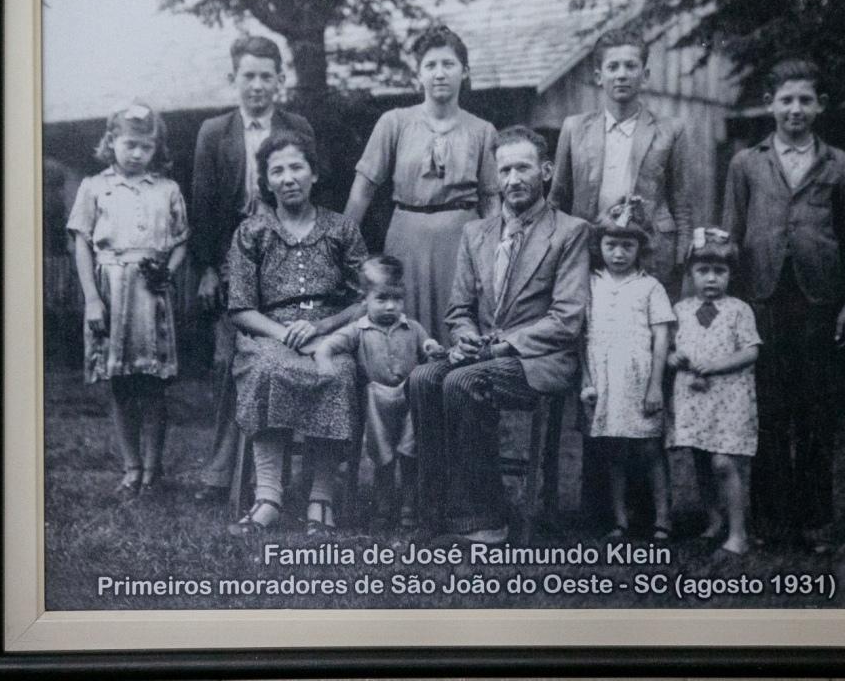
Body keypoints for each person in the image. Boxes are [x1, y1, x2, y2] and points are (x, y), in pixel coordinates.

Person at [408, 126, 589, 543]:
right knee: (422, 379)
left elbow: (566, 319)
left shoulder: (569, 232)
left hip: (539, 359)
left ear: (545, 171)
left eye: (523, 168)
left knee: (462, 381)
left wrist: (504, 345)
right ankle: (433, 511)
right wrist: (467, 335)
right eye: (504, 170)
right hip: (485, 353)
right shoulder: (477, 233)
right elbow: (459, 311)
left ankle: (486, 520)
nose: (512, 180)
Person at [722, 58, 845, 553]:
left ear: (820, 106)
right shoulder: (746, 161)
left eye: (805, 100)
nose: (795, 109)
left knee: (815, 411)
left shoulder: (837, 162)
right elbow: (731, 234)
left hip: (818, 298)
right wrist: (730, 306)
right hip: (761, 297)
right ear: (770, 104)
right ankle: (771, 519)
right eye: (786, 100)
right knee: (767, 409)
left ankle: (814, 521)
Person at [190, 35, 319, 504]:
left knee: (285, 355)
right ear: (234, 79)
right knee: (231, 360)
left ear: (281, 81)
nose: (258, 85)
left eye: (267, 76)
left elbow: (307, 192)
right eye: (249, 76)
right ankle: (223, 472)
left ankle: (277, 476)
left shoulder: (297, 126)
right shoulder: (214, 132)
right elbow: (202, 205)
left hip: (285, 251)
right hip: (231, 255)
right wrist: (208, 268)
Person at [225, 130, 367, 536]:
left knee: (336, 373)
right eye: (277, 171)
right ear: (266, 181)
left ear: (314, 174)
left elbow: (366, 299)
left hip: (328, 333)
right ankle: (268, 497)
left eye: (296, 167)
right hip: (268, 333)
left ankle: (320, 499)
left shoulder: (342, 230)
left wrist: (322, 328)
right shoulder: (252, 232)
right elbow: (240, 307)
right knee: (267, 368)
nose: (288, 178)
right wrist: (283, 333)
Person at [344, 25, 501, 344]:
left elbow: (491, 200)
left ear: (465, 72)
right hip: (406, 240)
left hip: (461, 243)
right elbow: (363, 189)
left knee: (458, 330)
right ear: (419, 74)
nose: (439, 73)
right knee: (402, 328)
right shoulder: (395, 122)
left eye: (448, 64)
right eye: (430, 65)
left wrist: (494, 255)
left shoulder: (482, 130)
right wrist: (342, 244)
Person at [66, 102, 189, 495]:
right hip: (110, 290)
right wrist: (92, 299)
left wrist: (167, 271)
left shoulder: (167, 189)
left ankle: (154, 470)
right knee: (120, 383)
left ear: (157, 150)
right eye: (129, 144)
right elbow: (81, 243)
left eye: (146, 147)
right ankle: (130, 466)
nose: (137, 153)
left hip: (150, 293)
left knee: (152, 384)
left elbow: (182, 240)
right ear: (112, 141)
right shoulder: (94, 187)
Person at [548, 27, 692, 298]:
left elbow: (681, 203)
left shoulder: (670, 130)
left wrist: (682, 258)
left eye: (631, 66)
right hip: (589, 248)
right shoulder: (574, 128)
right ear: (599, 77)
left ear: (645, 75)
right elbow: (557, 199)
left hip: (653, 248)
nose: (622, 74)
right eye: (613, 67)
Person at [314, 255, 446, 528]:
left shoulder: (412, 327)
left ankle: (410, 504)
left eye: (397, 299)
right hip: (376, 401)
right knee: (382, 456)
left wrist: (432, 348)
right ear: (365, 300)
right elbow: (326, 346)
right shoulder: (358, 330)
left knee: (411, 453)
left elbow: (427, 345)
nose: (390, 307)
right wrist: (324, 363)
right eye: (381, 299)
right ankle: (382, 506)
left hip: (410, 398)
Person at [580, 196, 675, 541]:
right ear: (600, 245)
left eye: (627, 246)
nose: (618, 253)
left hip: (638, 377)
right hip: (604, 376)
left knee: (650, 448)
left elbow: (662, 337)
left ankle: (663, 519)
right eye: (611, 245)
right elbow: (581, 334)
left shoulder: (650, 286)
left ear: (640, 247)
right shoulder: (590, 283)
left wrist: (655, 386)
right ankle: (620, 520)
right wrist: (586, 379)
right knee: (613, 451)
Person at [668, 228, 761, 556]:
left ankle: (738, 533)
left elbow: (751, 351)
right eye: (703, 271)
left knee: (724, 463)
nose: (711, 279)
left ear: (730, 275)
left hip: (727, 397)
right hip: (694, 398)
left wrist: (717, 365)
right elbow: (670, 351)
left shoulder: (739, 310)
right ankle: (714, 520)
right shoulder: (680, 310)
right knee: (703, 461)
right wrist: (673, 358)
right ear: (691, 274)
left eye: (719, 272)